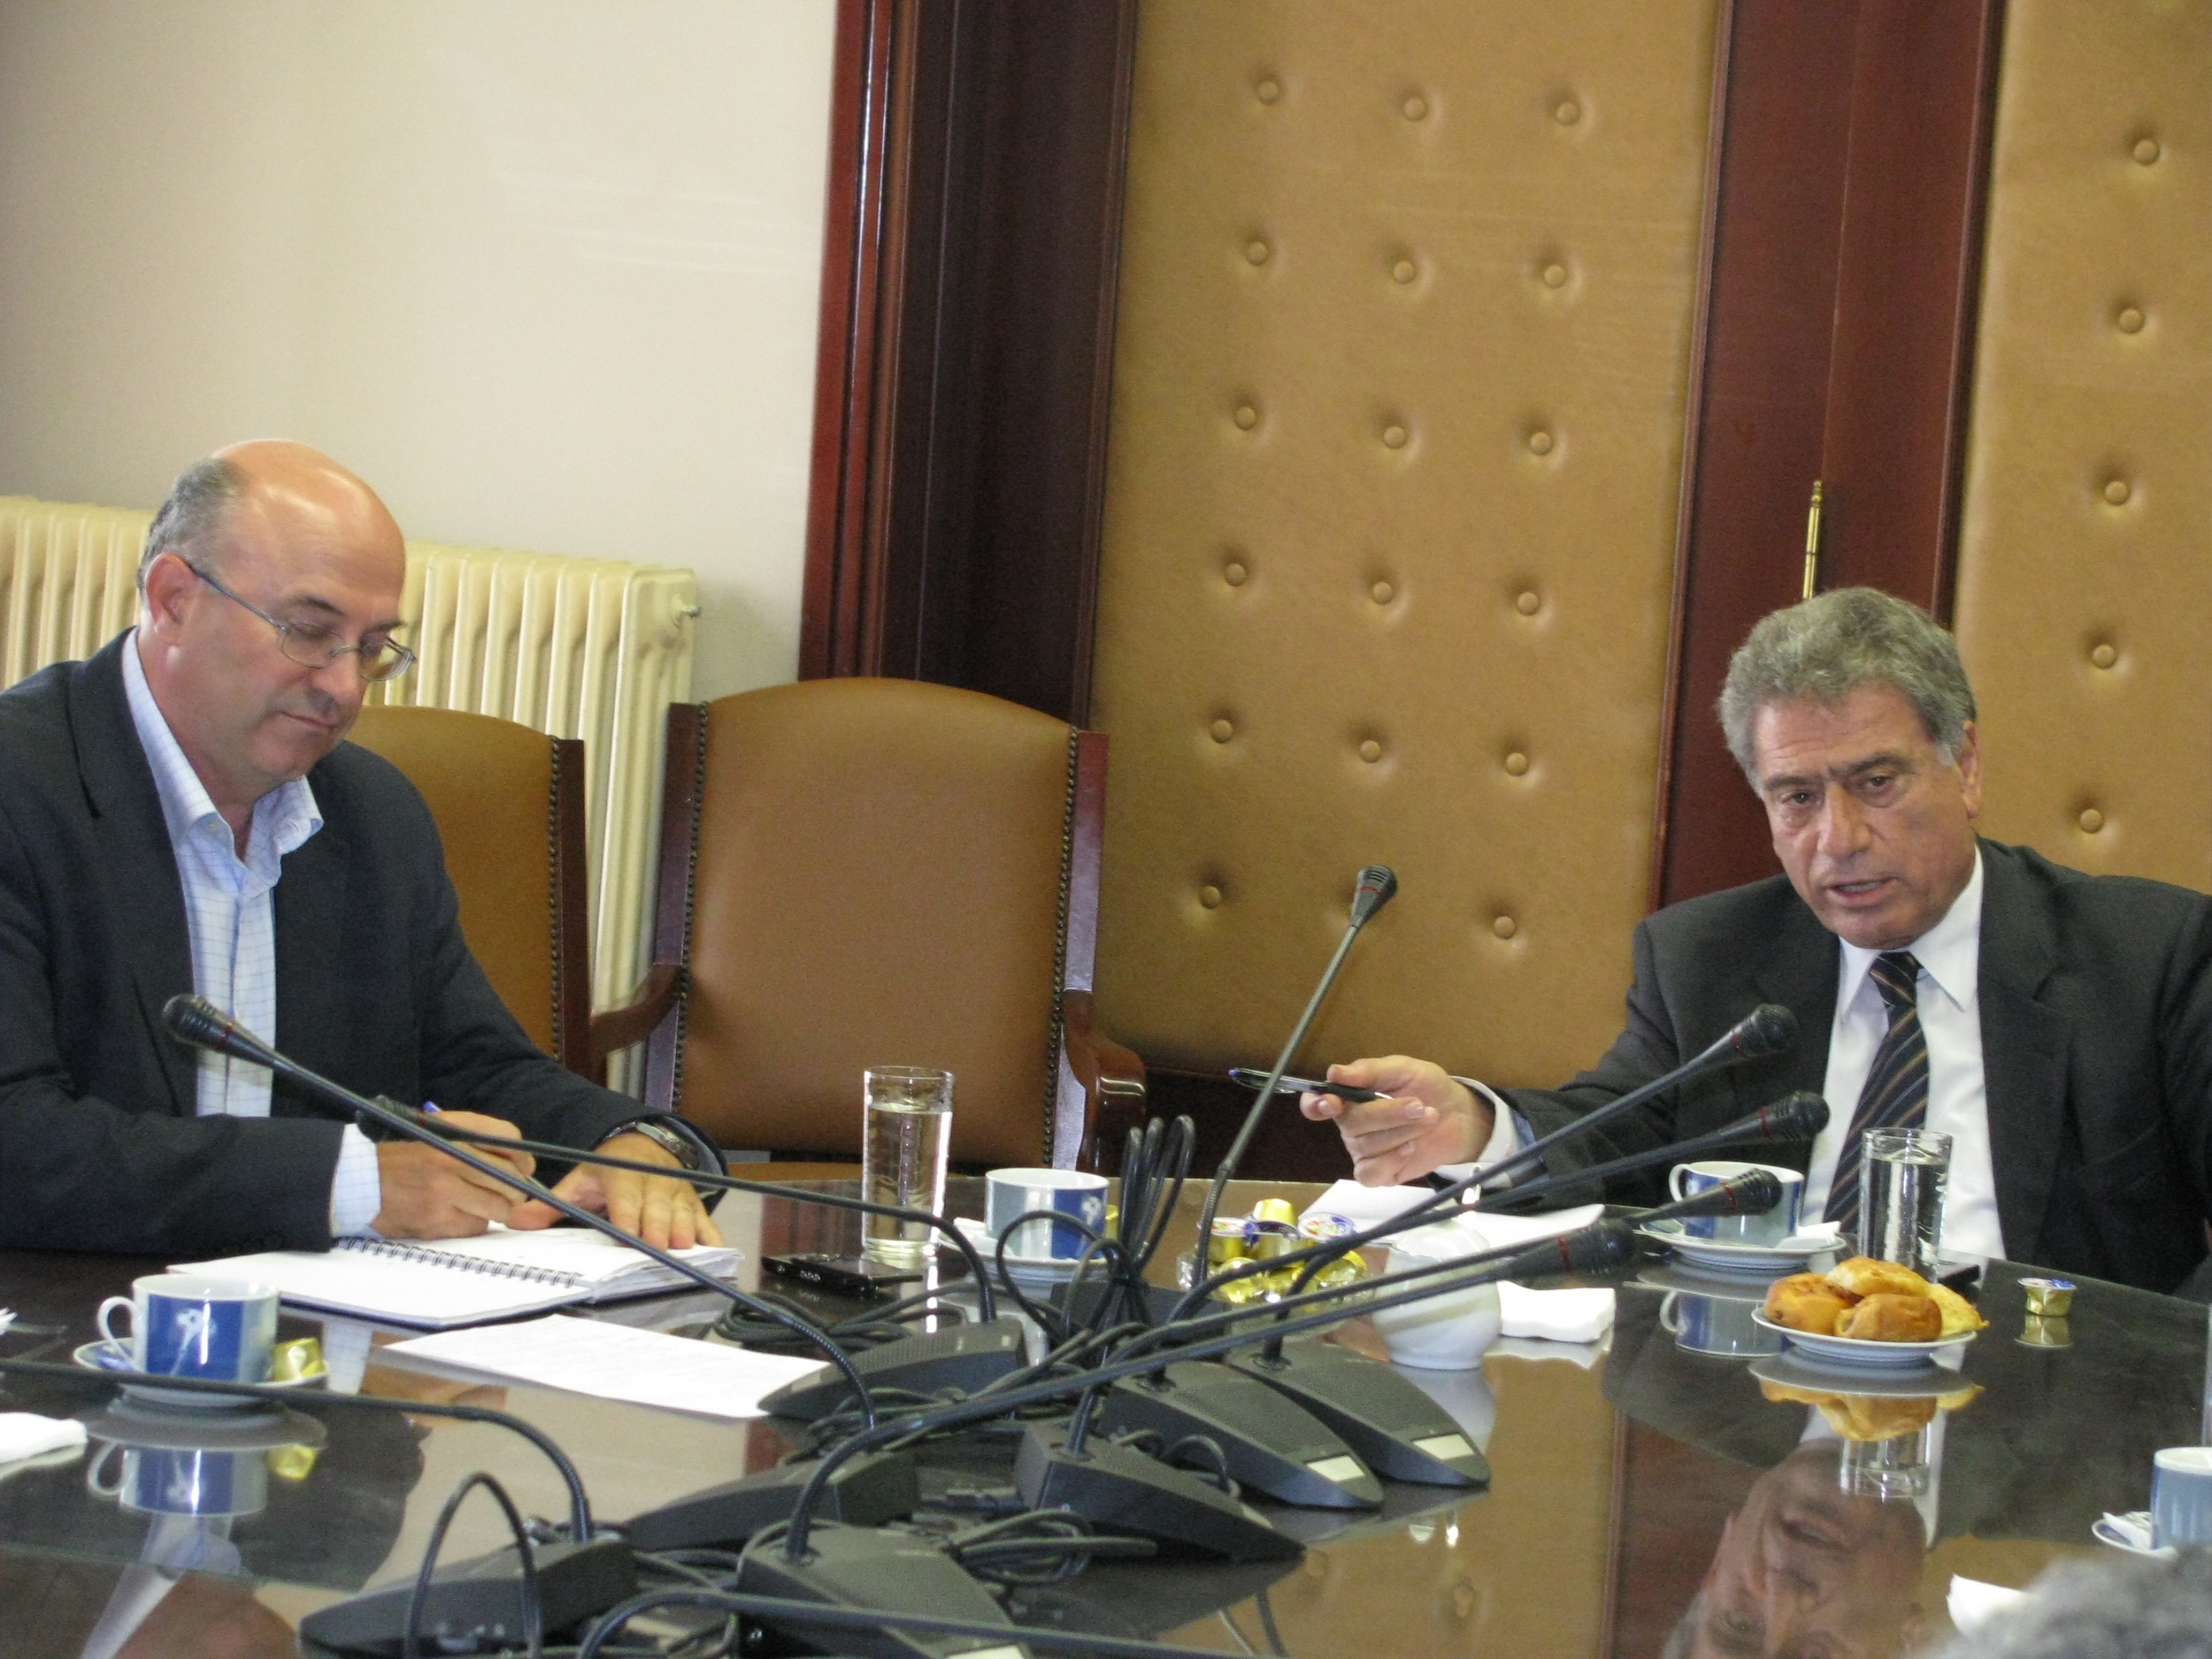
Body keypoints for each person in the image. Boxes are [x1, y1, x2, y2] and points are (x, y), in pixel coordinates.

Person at [1302, 588, 2212, 1293]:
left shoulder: (2149, 960)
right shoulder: (1709, 958)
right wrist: (1477, 1125)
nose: (1838, 839)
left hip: (2043, 1435)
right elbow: (1617, 1133)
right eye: (1798, 798)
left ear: (1964, 766)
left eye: (1877, 783)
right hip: (1770, 1415)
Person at [0, 441, 720, 1256]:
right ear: (173, 600)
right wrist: (350, 1184)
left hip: (313, 1304)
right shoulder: (22, 783)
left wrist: (636, 1143)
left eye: (373, 647)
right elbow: (18, 1141)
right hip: (70, 1306)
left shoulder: (372, 812)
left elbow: (477, 1067)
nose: (345, 688)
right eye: (309, 632)